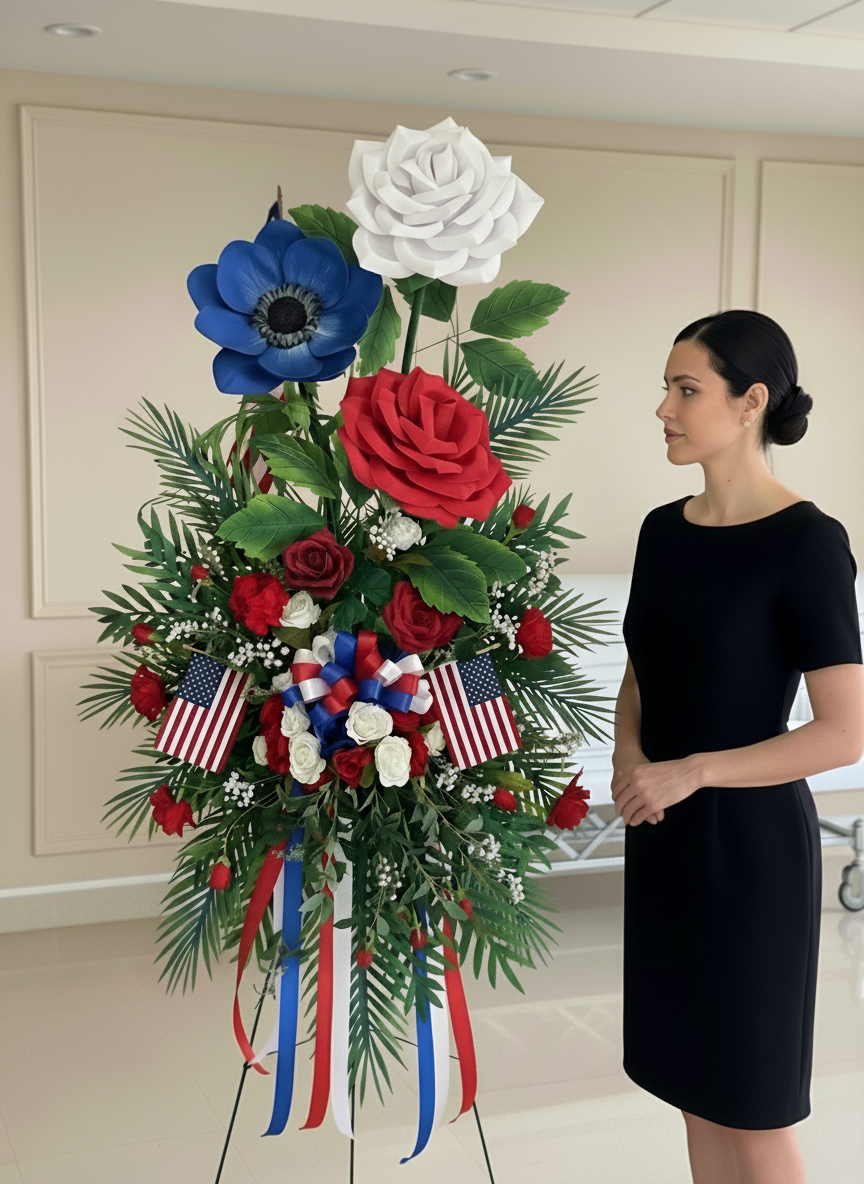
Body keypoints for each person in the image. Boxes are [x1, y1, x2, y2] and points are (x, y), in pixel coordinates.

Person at [610, 310, 864, 1184]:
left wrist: (696, 771)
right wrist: (627, 759)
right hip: (667, 841)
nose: (665, 409)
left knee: (751, 1107)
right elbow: (642, 672)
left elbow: (846, 730)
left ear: (751, 401)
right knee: (696, 1090)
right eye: (667, 388)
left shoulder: (808, 544)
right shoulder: (661, 531)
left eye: (687, 390)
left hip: (751, 855)